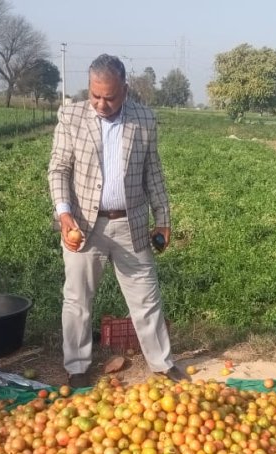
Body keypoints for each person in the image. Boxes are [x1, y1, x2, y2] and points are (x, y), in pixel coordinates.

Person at [48, 53, 188, 388]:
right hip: (83, 224)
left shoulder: (144, 118)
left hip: (131, 223)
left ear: (124, 90)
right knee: (78, 298)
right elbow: (59, 169)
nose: (101, 103)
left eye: (109, 97)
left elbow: (153, 173)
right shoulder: (71, 116)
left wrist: (163, 219)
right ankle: (77, 366)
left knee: (146, 296)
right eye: (95, 95)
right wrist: (65, 215)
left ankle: (161, 363)